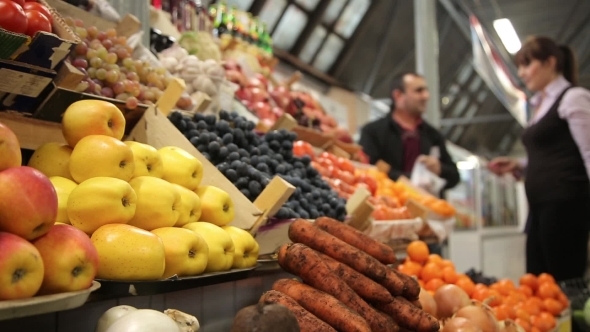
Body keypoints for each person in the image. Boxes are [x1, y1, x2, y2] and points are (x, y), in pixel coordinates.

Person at [489, 36, 590, 282]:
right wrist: (520, 166)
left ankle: (576, 323)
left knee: (563, 282)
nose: (522, 73)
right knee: (538, 280)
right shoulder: (540, 105)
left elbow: (588, 152)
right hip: (542, 208)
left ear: (550, 62)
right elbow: (553, 154)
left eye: (527, 64)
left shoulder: (573, 97)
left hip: (566, 205)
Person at [359, 72, 460, 195]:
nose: (426, 96)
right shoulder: (373, 131)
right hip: (386, 204)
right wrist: (411, 180)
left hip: (426, 209)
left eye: (426, 90)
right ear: (398, 95)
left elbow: (455, 176)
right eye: (419, 91)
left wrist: (440, 169)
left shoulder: (433, 136)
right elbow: (367, 169)